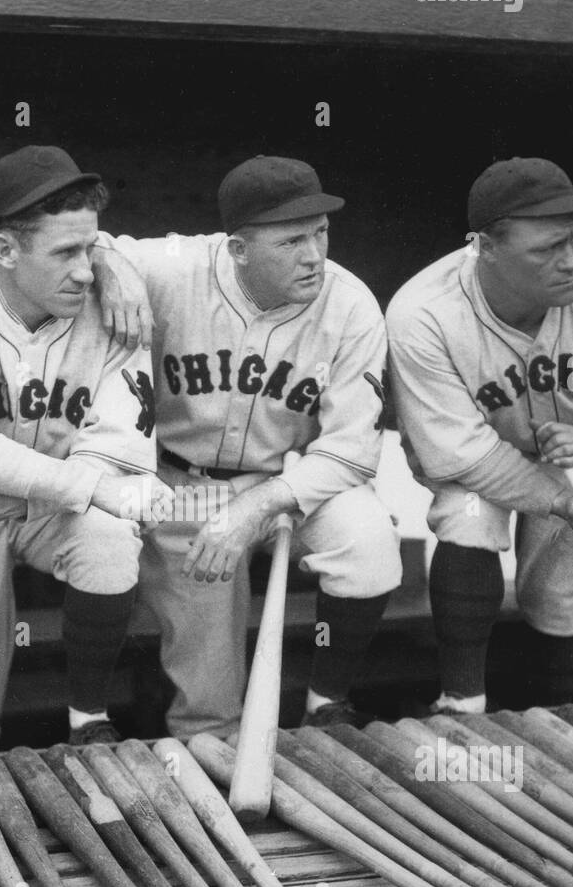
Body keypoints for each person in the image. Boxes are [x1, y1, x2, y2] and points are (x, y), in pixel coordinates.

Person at [93, 155, 399, 737]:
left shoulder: (351, 303)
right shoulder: (175, 268)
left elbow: (353, 450)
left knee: (370, 545)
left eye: (321, 233)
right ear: (236, 250)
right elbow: (91, 244)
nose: (315, 255)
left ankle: (326, 705)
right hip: (183, 486)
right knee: (211, 709)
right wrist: (111, 262)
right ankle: (211, 763)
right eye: (291, 242)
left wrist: (261, 505)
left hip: (293, 479)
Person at [386, 157, 573, 713]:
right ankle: (461, 704)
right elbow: (457, 451)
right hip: (480, 457)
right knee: (467, 517)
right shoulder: (423, 312)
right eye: (547, 248)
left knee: (564, 592)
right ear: (484, 247)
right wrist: (554, 499)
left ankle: (549, 721)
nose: (571, 261)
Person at [0, 145, 171, 754]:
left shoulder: (115, 305)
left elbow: (118, 456)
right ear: (5, 251)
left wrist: (40, 500)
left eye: (92, 248)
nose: (85, 270)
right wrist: (92, 488)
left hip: (39, 503)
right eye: (66, 253)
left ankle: (87, 720)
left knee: (108, 539)